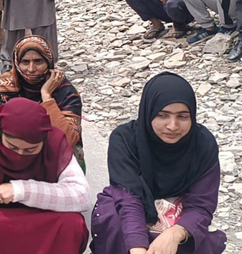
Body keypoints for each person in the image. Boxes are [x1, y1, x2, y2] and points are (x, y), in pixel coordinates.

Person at [90, 72, 226, 254]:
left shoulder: (202, 143)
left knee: (187, 240)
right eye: (162, 115)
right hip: (128, 206)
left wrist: (176, 233)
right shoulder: (125, 139)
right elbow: (128, 197)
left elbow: (202, 204)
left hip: (179, 208)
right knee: (116, 223)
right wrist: (137, 247)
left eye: (182, 117)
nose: (172, 126)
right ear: (148, 112)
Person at [0, 98, 91, 254]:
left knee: (72, 223)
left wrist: (20, 190)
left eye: (30, 151)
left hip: (41, 216)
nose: (19, 155)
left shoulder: (54, 144)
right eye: (12, 147)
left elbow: (81, 195)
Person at [0, 34, 84, 169]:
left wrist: (47, 97)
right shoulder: (6, 86)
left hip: (52, 157)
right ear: (17, 62)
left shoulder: (64, 91)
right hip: (10, 154)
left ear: (49, 61)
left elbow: (68, 139)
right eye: (25, 62)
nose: (31, 69)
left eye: (38, 61)